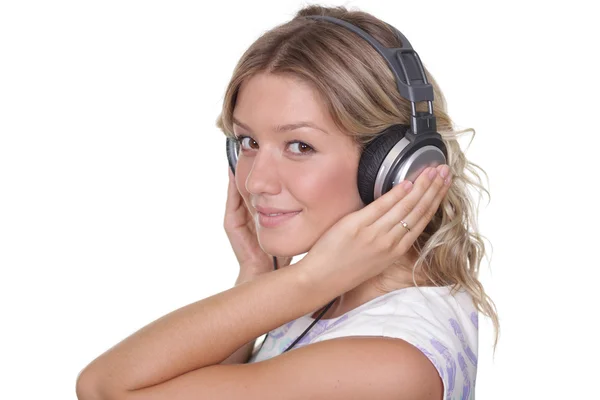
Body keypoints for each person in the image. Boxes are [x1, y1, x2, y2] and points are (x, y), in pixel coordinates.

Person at [76, 5, 499, 400]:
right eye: (248, 142)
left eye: (299, 145)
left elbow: (104, 388)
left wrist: (307, 280)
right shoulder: (337, 299)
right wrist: (257, 277)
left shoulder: (388, 362)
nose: (255, 180)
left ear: (393, 166)